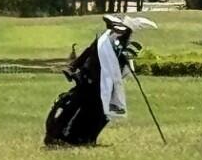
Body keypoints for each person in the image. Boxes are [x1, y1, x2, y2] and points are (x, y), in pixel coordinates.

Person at [45, 16, 149, 147]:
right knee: (79, 108)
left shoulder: (109, 41)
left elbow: (117, 65)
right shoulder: (105, 41)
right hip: (90, 82)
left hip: (97, 84)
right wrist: (73, 67)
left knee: (96, 113)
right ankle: (63, 136)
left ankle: (82, 138)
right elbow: (91, 54)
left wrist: (73, 67)